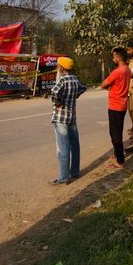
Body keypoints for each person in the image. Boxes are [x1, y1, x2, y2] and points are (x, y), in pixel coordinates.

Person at [50, 56, 87, 184]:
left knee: (63, 149)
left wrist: (58, 102)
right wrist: (75, 96)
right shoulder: (75, 79)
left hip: (61, 118)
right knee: (74, 145)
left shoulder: (62, 80)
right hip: (72, 117)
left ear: (61, 67)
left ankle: (63, 178)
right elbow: (84, 87)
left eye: (58, 66)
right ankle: (74, 172)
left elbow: (54, 92)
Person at [101, 47, 131, 168]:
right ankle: (117, 154)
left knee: (115, 135)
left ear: (118, 57)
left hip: (115, 106)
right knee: (118, 132)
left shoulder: (117, 72)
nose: (113, 59)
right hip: (123, 105)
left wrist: (110, 88)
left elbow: (103, 84)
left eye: (114, 56)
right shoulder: (128, 70)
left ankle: (120, 161)